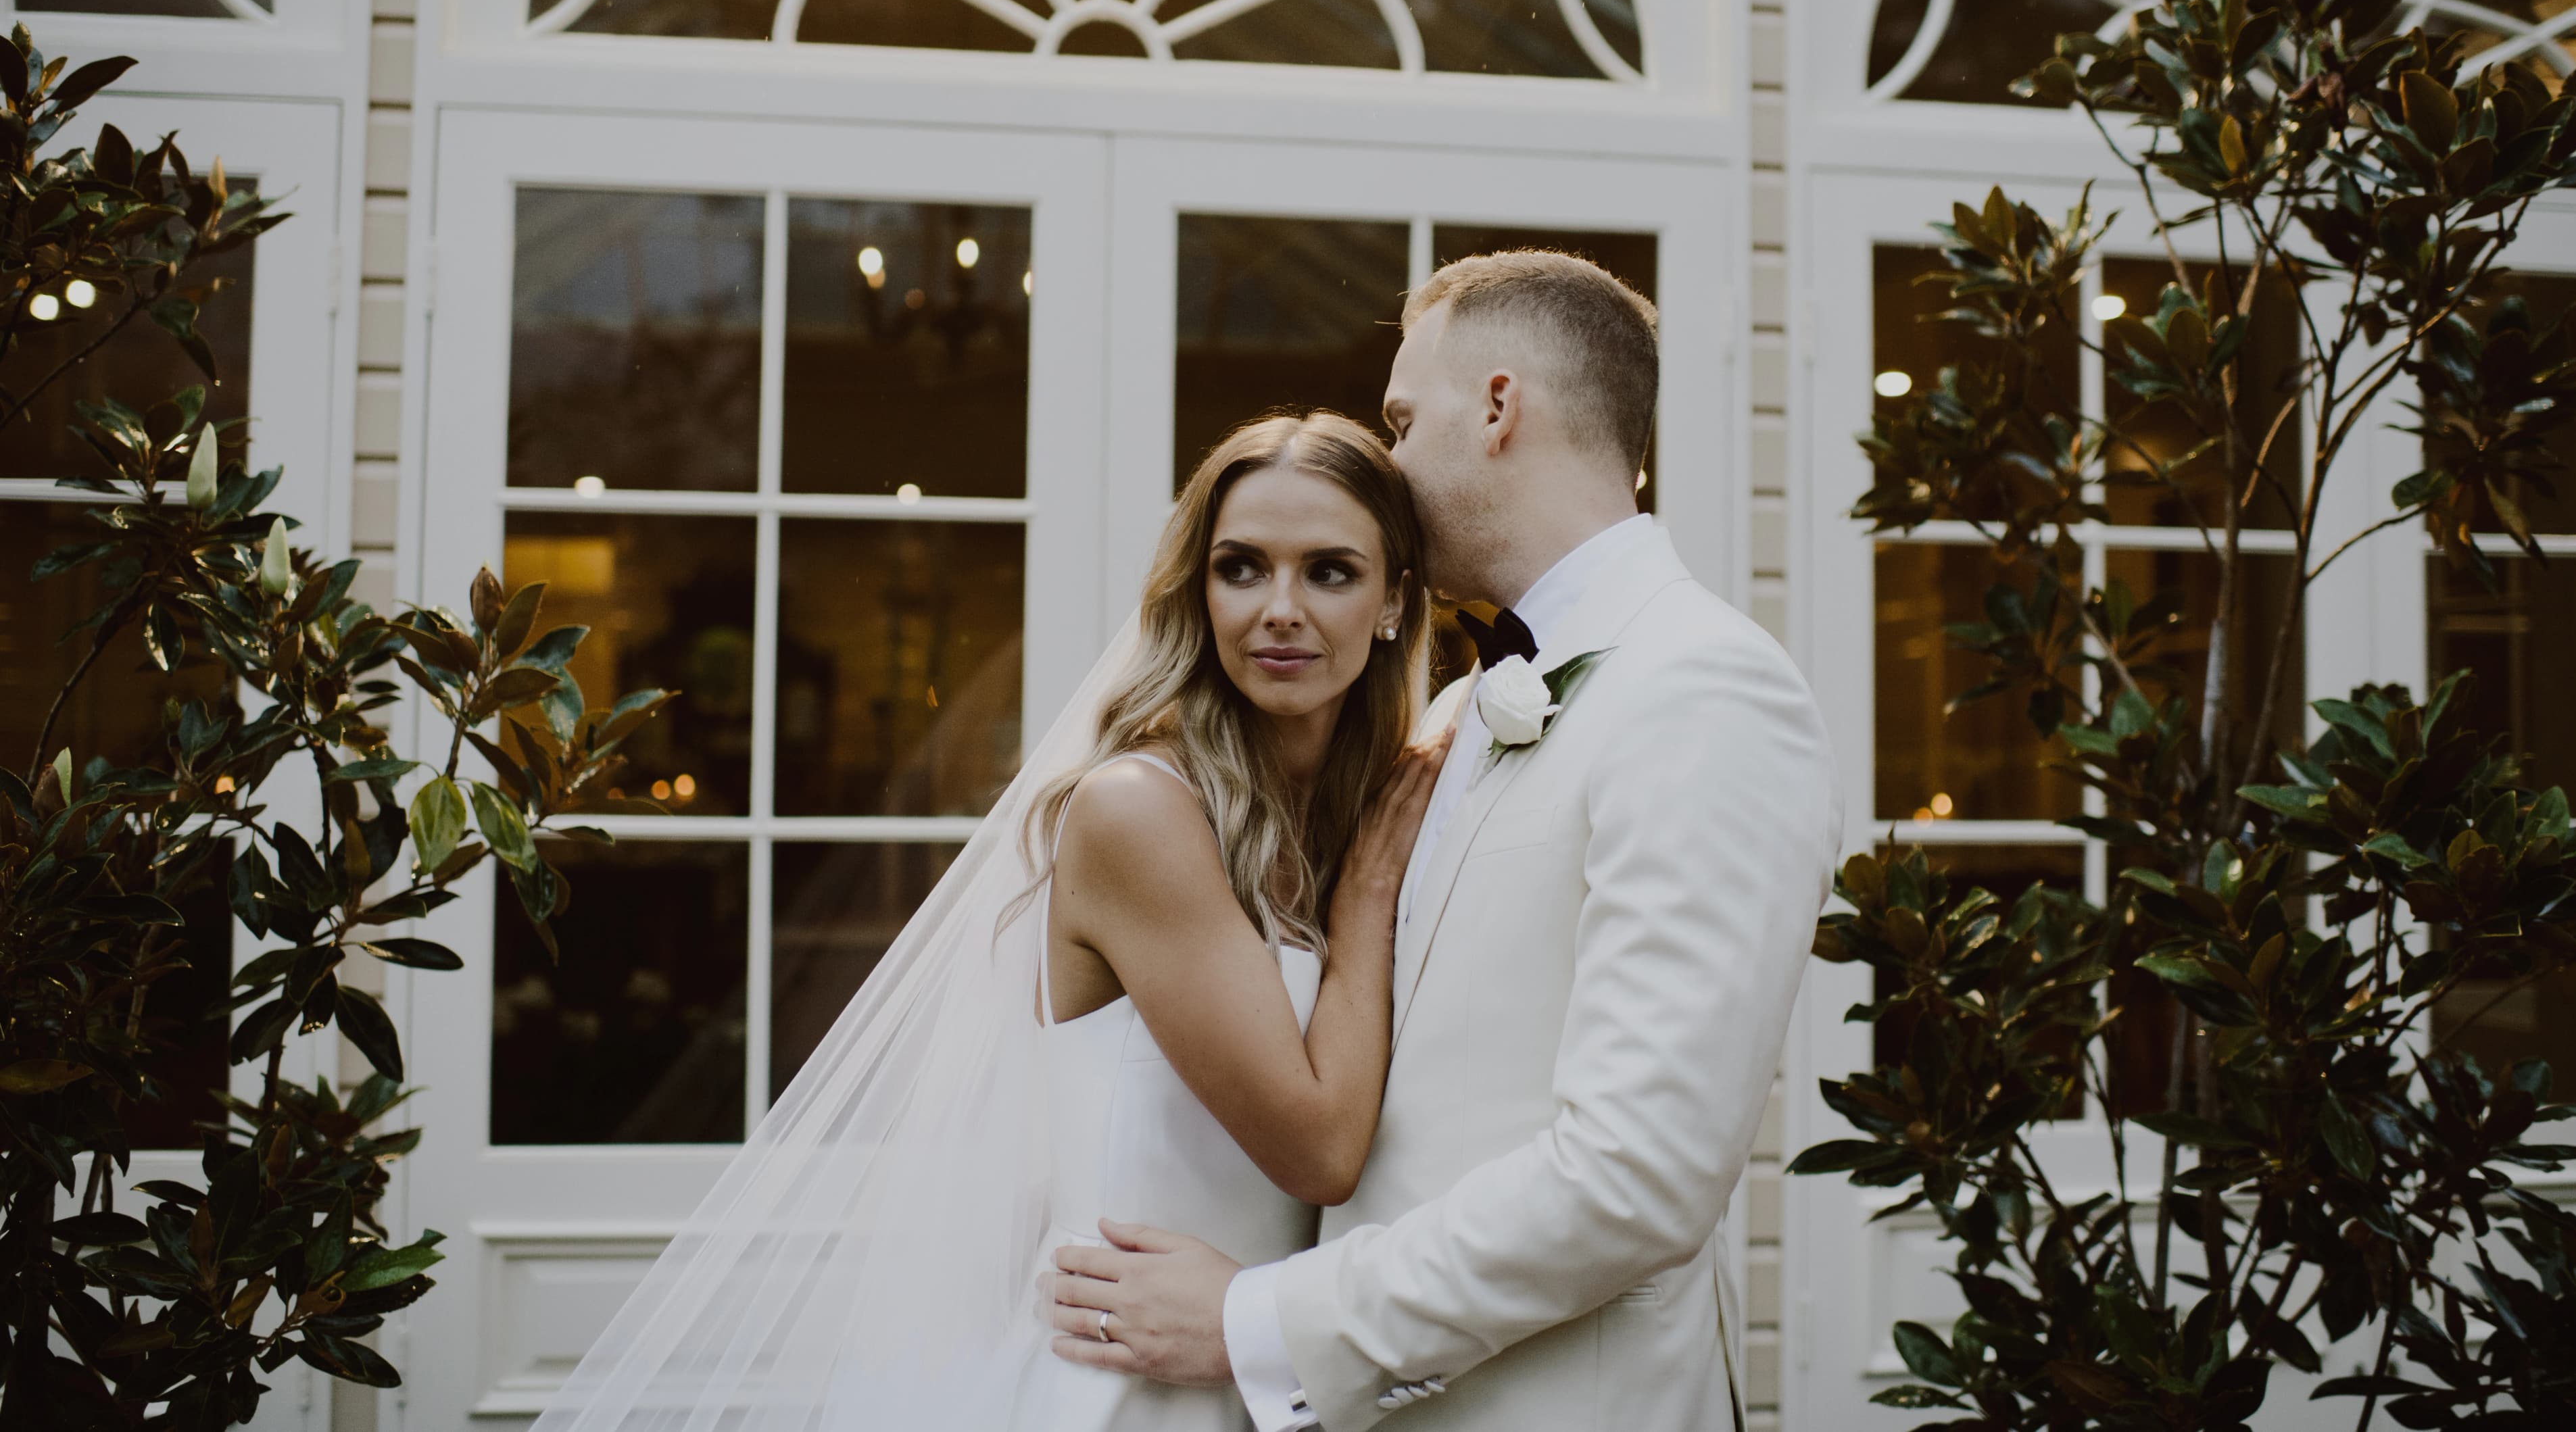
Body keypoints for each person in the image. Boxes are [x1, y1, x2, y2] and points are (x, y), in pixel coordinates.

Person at [1043, 251, 1842, 1431]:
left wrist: (1266, 1324)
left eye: (1405, 420)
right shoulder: (1460, 711)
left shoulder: (1705, 688)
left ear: (1501, 407)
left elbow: (1636, 1181)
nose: (1393, 463)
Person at [529, 412, 1442, 1431]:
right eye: (1240, 568)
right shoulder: (1141, 812)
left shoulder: (1365, 816)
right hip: (1123, 1394)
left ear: (1396, 603)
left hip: (1273, 1380)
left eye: (1329, 572)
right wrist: (1365, 901)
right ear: (1199, 592)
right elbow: (1317, 1152)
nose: (1280, 609)